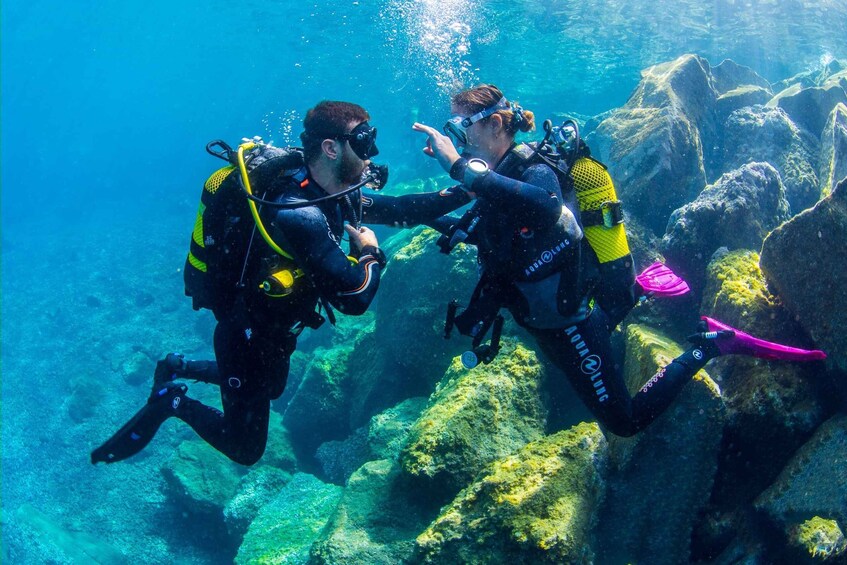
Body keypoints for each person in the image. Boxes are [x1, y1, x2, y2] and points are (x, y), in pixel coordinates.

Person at [408, 84, 826, 437]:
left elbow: (544, 205)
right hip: (549, 318)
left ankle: (709, 346)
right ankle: (637, 288)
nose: (455, 140)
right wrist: (355, 203)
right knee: (603, 320)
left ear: (495, 124)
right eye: (451, 133)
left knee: (624, 421)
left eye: (459, 129)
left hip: (568, 322)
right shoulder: (493, 179)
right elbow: (430, 212)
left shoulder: (531, 170)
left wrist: (459, 166)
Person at [91, 101, 467, 466]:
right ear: (331, 148)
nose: (373, 153)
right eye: (365, 142)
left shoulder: (332, 192)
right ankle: (171, 401)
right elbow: (354, 298)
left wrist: (474, 183)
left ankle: (180, 366)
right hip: (245, 338)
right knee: (246, 449)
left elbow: (400, 208)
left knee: (270, 388)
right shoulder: (296, 212)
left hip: (277, 330)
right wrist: (371, 253)